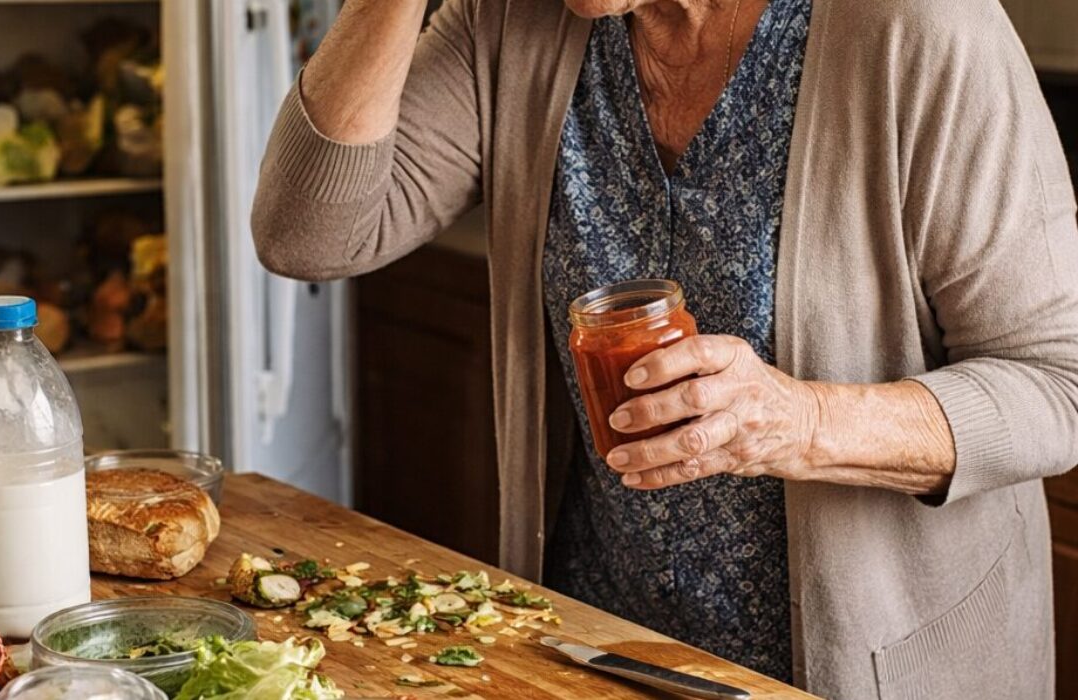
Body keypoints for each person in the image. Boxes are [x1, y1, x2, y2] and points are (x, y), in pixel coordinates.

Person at [250, 0, 1078, 697]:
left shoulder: (919, 25)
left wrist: (798, 420)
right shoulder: (511, 20)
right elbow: (307, 236)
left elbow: (1058, 381)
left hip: (870, 665)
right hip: (603, 646)